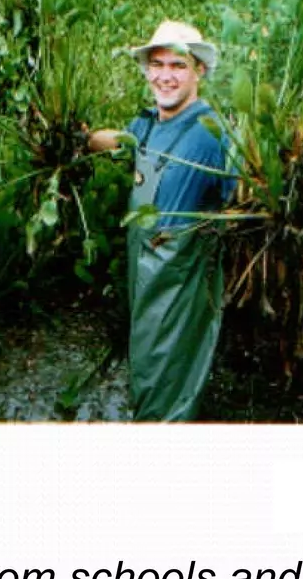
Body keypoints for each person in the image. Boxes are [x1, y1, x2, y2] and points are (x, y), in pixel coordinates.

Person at [87, 21, 234, 421]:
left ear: (198, 71)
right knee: (147, 355)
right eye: (157, 64)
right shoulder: (149, 122)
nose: (165, 76)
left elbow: (242, 196)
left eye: (177, 66)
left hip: (180, 272)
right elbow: (122, 141)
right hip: (143, 262)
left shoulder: (210, 134)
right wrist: (85, 138)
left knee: (169, 366)